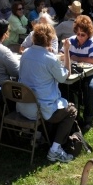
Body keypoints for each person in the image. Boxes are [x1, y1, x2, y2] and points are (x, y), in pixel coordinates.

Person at [17, 22, 77, 163]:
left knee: (47, 98)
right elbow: (65, 76)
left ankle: (38, 136)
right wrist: (66, 50)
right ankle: (54, 149)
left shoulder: (25, 54)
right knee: (71, 110)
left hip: (22, 106)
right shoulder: (49, 59)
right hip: (40, 109)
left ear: (34, 38)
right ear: (50, 39)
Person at [61, 15, 93, 131]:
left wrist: (76, 58)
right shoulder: (71, 40)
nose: (80, 37)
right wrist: (65, 51)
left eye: (83, 35)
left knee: (91, 88)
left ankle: (87, 119)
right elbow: (60, 55)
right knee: (64, 84)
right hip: (78, 74)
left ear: (89, 34)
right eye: (78, 34)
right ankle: (72, 115)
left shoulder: (92, 42)